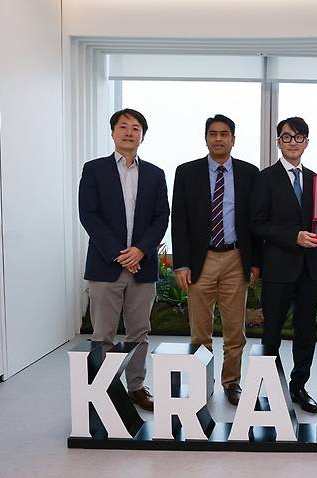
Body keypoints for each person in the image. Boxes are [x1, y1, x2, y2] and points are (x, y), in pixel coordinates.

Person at [79, 108, 169, 411]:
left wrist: (140, 250)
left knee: (139, 332)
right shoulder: (94, 170)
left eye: (135, 128)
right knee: (103, 333)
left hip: (143, 266)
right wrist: (120, 254)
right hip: (106, 265)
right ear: (113, 132)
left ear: (142, 136)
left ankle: (136, 387)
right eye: (123, 126)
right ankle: (103, 393)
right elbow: (89, 215)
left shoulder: (155, 174)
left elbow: (161, 217)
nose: (129, 132)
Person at [171, 114, 261, 406]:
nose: (219, 138)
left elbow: (255, 222)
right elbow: (179, 221)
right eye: (213, 133)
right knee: (200, 330)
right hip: (202, 259)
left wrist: (255, 262)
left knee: (235, 331)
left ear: (233, 139)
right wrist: (181, 263)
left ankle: (231, 382)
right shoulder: (187, 172)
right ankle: (202, 381)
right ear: (206, 138)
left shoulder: (249, 173)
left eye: (224, 133)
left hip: (236, 258)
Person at [250, 117, 317, 414]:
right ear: (278, 142)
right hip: (277, 268)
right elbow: (257, 224)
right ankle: (272, 388)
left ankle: (299, 386)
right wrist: (294, 237)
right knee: (271, 334)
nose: (293, 142)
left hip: (308, 269)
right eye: (287, 137)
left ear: (307, 142)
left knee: (306, 333)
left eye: (299, 137)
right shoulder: (265, 178)